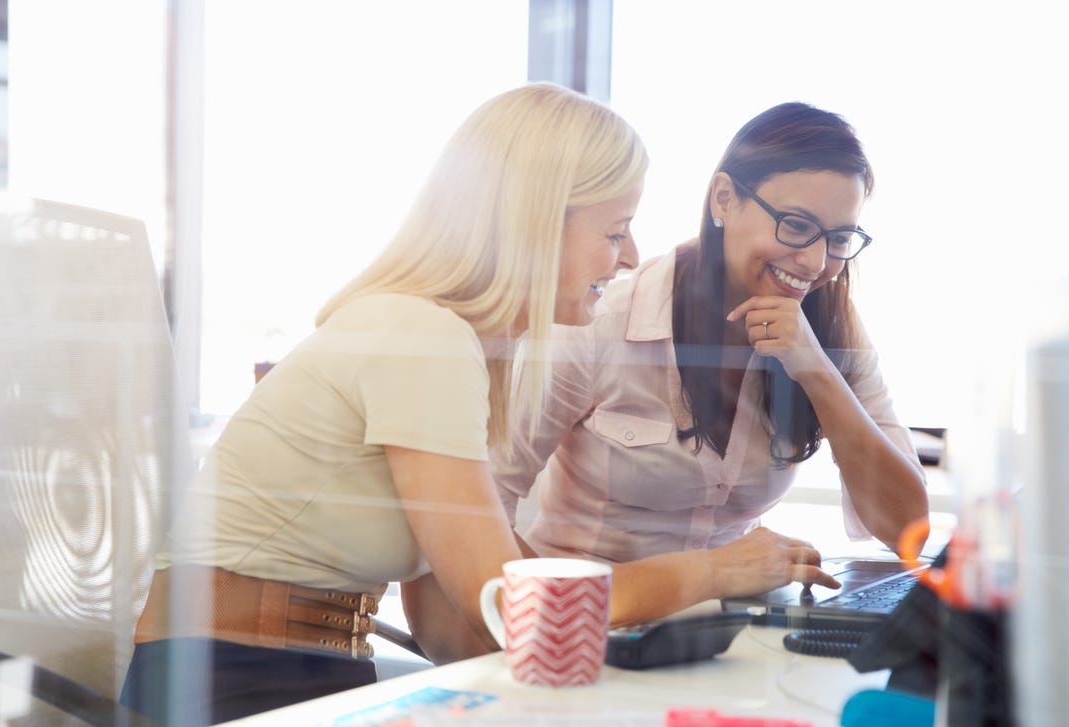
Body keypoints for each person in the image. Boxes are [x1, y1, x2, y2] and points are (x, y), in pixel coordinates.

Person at [120, 82, 649, 724]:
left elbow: (449, 625)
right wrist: (707, 579)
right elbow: (506, 603)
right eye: (616, 231)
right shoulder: (422, 337)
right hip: (228, 687)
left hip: (306, 677)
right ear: (538, 225)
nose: (632, 258)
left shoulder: (448, 346)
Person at [492, 102, 929, 614]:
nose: (814, 262)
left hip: (723, 636)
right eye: (794, 225)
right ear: (724, 199)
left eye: (838, 239)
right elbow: (482, 506)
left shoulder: (832, 327)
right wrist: (553, 617)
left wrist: (817, 371)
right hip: (595, 624)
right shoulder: (605, 323)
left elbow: (908, 532)